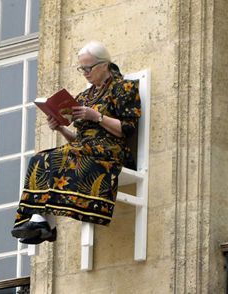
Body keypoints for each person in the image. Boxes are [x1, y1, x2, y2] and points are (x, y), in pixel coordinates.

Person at [11, 41, 141, 244]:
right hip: (85, 148)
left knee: (60, 156)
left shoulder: (123, 88)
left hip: (111, 150)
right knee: (40, 158)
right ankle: (40, 221)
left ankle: (46, 224)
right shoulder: (84, 97)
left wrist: (96, 116)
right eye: (82, 68)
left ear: (104, 65)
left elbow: (127, 129)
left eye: (88, 68)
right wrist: (61, 128)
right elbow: (78, 140)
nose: (85, 73)